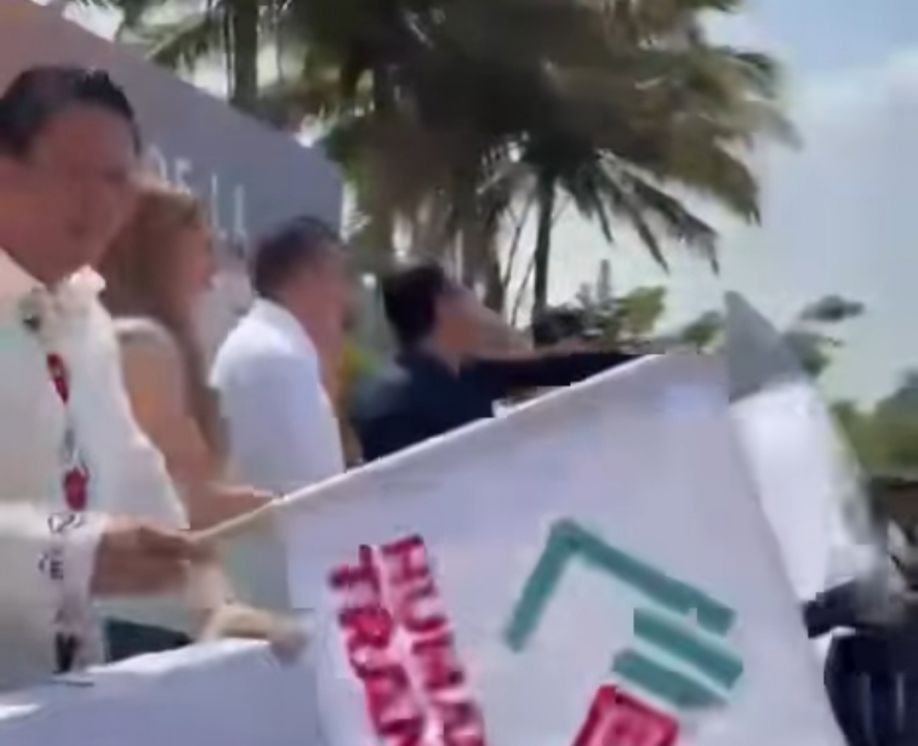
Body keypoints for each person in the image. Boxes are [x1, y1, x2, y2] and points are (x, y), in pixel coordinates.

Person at [0, 66, 204, 689]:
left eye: (117, 179)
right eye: (72, 174)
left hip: (61, 700)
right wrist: (75, 551)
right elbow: (91, 544)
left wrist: (209, 600)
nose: (97, 203)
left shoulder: (86, 320)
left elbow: (133, 473)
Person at [98, 182, 273, 529]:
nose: (211, 275)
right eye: (203, 250)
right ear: (158, 257)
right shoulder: (141, 351)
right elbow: (164, 506)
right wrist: (291, 511)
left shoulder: (140, 348)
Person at [350, 263, 641, 461]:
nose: (475, 302)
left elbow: (563, 365)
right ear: (444, 305)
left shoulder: (470, 371)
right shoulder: (397, 397)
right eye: (465, 292)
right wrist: (491, 323)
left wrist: (652, 363)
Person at [211, 216, 349, 495]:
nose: (344, 296)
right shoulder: (280, 362)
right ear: (306, 277)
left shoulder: (267, 347)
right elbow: (316, 496)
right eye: (337, 276)